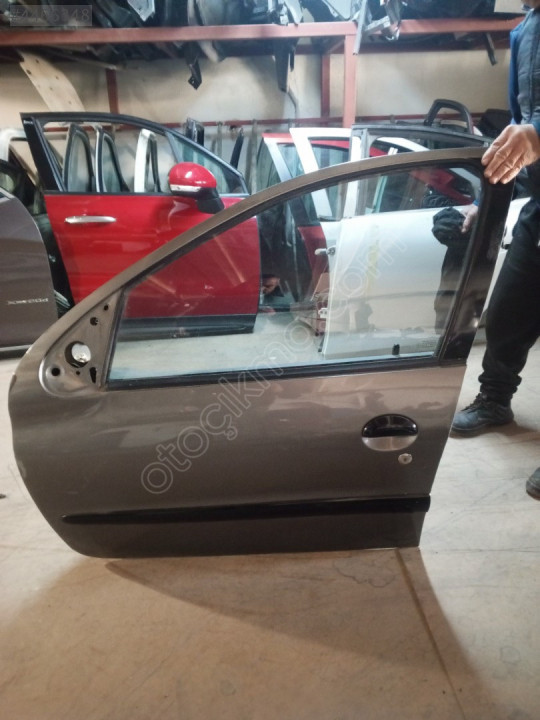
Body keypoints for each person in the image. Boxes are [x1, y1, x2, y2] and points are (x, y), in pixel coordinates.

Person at [450, 1, 540, 500]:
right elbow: (521, 132)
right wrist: (490, 203)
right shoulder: (525, 31)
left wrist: (537, 135)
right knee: (507, 313)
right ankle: (495, 400)